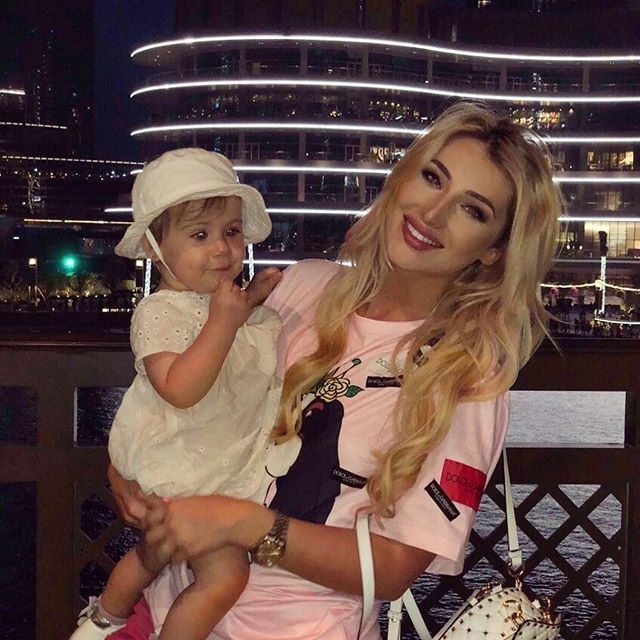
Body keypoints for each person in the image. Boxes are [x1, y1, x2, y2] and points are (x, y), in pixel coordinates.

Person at [107, 101, 563, 640]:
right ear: (402, 177)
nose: (433, 213)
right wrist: (126, 478)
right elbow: (190, 397)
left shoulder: (466, 374)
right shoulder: (302, 286)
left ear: (494, 251)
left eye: (473, 210)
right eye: (432, 178)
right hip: (164, 609)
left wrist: (244, 523)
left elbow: (394, 569)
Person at [70, 148, 300, 640]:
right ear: (154, 248)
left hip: (209, 463)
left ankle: (101, 622)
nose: (222, 249)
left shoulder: (223, 304)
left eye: (231, 231)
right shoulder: (159, 313)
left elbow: (234, 346)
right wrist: (225, 320)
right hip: (182, 464)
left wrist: (251, 300)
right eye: (200, 236)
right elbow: (180, 389)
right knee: (225, 576)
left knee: (149, 556)